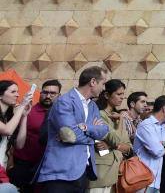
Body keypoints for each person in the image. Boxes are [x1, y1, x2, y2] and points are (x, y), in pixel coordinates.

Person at [35, 65, 110, 193]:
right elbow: (70, 135)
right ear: (93, 82)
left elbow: (104, 131)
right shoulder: (65, 101)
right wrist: (92, 135)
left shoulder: (92, 106)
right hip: (61, 172)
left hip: (82, 172)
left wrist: (86, 127)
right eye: (103, 83)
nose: (103, 88)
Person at [11, 79, 60, 193]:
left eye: (52, 93)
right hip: (23, 164)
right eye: (45, 92)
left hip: (47, 167)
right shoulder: (27, 111)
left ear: (59, 95)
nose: (48, 96)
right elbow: (12, 136)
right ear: (40, 93)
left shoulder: (61, 114)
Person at [88, 79, 132, 193]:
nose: (122, 97)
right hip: (100, 174)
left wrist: (112, 146)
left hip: (115, 174)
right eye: (118, 94)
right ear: (107, 95)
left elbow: (129, 147)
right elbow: (117, 140)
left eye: (123, 94)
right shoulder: (99, 115)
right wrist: (121, 120)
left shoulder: (117, 116)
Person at [134, 95, 165, 193]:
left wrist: (164, 144)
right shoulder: (146, 125)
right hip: (142, 182)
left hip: (156, 183)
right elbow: (157, 151)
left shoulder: (163, 128)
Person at [0, 80, 33, 169]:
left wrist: (24, 116)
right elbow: (7, 130)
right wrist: (22, 105)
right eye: (13, 92)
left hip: (3, 168)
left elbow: (19, 145)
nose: (18, 95)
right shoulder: (9, 124)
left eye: (17, 92)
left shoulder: (9, 119)